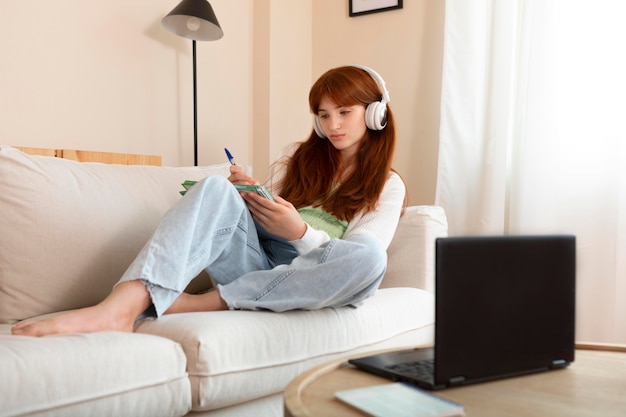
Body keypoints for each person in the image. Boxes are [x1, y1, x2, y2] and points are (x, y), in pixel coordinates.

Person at [11, 65, 406, 337]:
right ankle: (120, 305)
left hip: (311, 281)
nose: (332, 125)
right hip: (258, 262)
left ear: (374, 115)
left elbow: (355, 260)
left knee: (370, 259)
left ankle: (204, 303)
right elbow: (257, 225)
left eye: (344, 112)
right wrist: (252, 198)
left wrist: (300, 232)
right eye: (323, 114)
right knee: (217, 188)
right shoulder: (299, 160)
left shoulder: (388, 186)